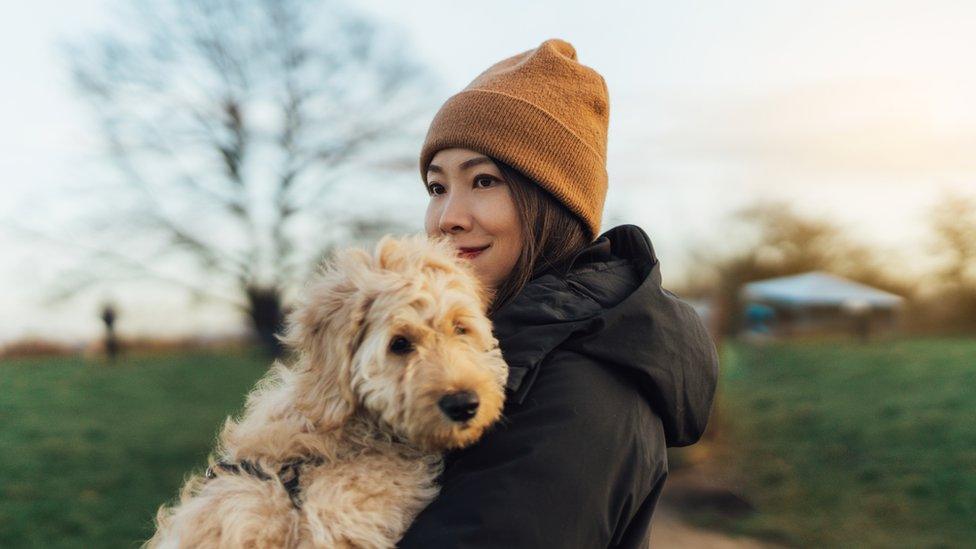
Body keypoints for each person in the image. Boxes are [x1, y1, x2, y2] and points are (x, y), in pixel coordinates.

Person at [398, 38, 719, 549]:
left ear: (554, 202)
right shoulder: (498, 349)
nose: (448, 218)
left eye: (484, 180)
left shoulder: (581, 387)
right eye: (437, 188)